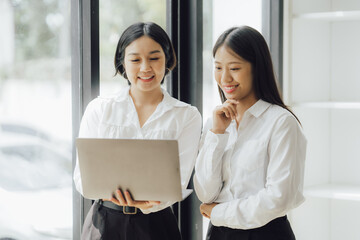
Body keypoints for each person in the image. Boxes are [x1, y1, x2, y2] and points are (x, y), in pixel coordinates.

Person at [73, 22, 202, 240]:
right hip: (104, 223)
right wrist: (112, 194)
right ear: (122, 63)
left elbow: (179, 182)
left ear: (167, 59)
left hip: (157, 224)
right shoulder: (100, 109)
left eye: (154, 58)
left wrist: (149, 203)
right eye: (135, 60)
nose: (145, 68)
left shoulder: (187, 116)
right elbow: (81, 179)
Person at [193, 25, 307, 240]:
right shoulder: (215, 121)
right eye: (218, 68)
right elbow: (206, 193)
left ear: (257, 68)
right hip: (218, 233)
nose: (225, 78)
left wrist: (219, 212)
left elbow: (278, 198)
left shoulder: (281, 122)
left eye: (234, 68)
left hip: (266, 234)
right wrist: (217, 134)